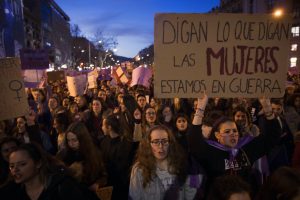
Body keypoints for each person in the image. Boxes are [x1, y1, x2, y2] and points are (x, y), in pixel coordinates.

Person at [188, 94, 282, 195]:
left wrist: (267, 107)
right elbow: (194, 141)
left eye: (235, 131)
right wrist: (200, 108)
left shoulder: (245, 150)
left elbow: (272, 137)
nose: (232, 133)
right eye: (227, 131)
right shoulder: (210, 151)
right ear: (217, 135)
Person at [129, 125, 203, 200]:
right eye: (156, 142)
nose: (161, 146)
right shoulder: (139, 169)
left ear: (170, 143)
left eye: (164, 141)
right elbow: (134, 196)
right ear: (149, 144)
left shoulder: (180, 164)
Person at [8, 143, 99, 200]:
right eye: (12, 166)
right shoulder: (16, 194)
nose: (15, 170)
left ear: (38, 163)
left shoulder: (62, 186)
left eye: (22, 164)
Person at [57, 122, 107, 193]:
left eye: (74, 140)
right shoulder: (63, 155)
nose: (71, 143)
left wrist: (97, 184)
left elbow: (104, 175)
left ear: (82, 139)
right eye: (68, 140)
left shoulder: (94, 154)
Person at [100, 114, 135, 200]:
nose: (101, 127)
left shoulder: (125, 144)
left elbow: (122, 166)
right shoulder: (104, 141)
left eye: (103, 125)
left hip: (120, 184)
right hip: (107, 182)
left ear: (109, 127)